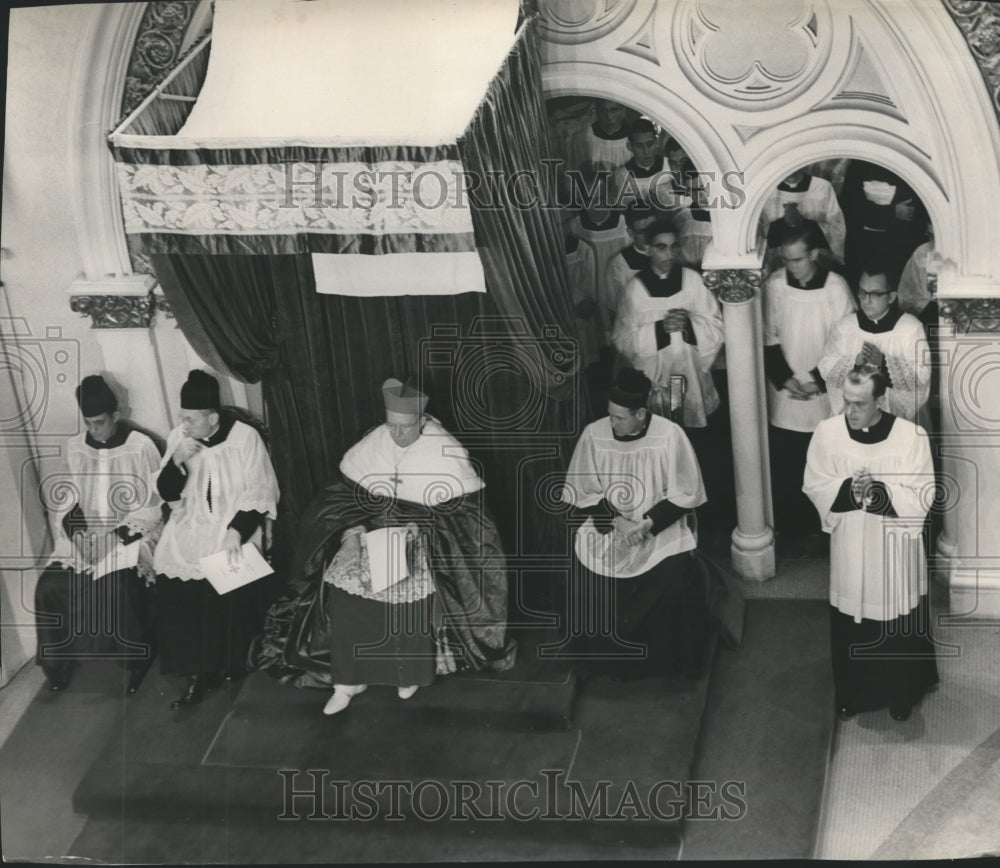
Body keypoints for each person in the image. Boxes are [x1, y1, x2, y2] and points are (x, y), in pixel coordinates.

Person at [250, 378, 517, 714]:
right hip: (367, 535)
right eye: (392, 426)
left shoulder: (444, 451)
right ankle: (347, 681)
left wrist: (418, 529)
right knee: (345, 592)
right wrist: (352, 531)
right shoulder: (376, 441)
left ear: (422, 421)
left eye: (405, 428)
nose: (397, 435)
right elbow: (343, 499)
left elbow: (464, 521)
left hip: (420, 541)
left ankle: (406, 675)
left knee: (404, 591)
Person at [804, 365, 938, 721]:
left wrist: (878, 492)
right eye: (846, 401)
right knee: (853, 618)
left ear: (880, 400)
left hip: (893, 547)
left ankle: (901, 694)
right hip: (852, 542)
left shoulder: (911, 436)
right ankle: (855, 692)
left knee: (895, 616)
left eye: (859, 404)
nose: (849, 412)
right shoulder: (827, 433)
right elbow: (814, 483)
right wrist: (849, 490)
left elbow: (924, 493)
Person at [560, 368, 709, 680]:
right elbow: (582, 489)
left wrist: (645, 525)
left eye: (619, 418)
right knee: (583, 579)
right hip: (610, 525)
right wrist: (618, 523)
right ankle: (602, 666)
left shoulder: (669, 435)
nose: (611, 423)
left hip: (657, 526)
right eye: (610, 415)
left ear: (641, 413)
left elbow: (686, 491)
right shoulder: (594, 434)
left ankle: (665, 666)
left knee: (673, 583)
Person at [153, 370, 279, 709]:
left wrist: (237, 529)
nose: (185, 424)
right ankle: (195, 670)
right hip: (191, 521)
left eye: (191, 419)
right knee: (173, 572)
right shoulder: (179, 438)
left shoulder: (245, 438)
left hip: (234, 522)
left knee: (223, 568)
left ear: (212, 418)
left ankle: (229, 660)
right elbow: (167, 493)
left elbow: (260, 489)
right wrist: (177, 459)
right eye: (183, 417)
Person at [36, 375, 162, 693]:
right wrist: (78, 536)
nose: (93, 430)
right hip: (87, 538)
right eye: (88, 423)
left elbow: (152, 506)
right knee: (49, 584)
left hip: (129, 536)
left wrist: (113, 537)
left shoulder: (140, 447)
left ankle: (134, 660)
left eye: (100, 422)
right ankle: (57, 662)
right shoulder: (76, 447)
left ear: (116, 416)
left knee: (116, 586)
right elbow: (68, 500)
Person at [763, 225, 855, 549]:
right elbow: (767, 334)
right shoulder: (774, 285)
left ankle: (823, 530)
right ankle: (792, 530)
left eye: (797, 259)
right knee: (788, 463)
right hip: (785, 391)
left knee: (822, 461)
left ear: (814, 254)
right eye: (786, 260)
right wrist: (784, 377)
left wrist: (818, 380)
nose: (791, 266)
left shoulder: (836, 288)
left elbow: (847, 341)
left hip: (823, 391)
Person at [613, 218, 724, 428]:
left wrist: (689, 325)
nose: (669, 255)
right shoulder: (634, 290)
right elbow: (623, 340)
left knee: (692, 431)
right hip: (656, 377)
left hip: (691, 371)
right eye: (661, 248)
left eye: (674, 247)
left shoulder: (693, 280)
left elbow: (716, 325)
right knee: (662, 427)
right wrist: (660, 330)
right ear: (648, 249)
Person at [818, 269, 930, 423]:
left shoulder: (910, 328)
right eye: (863, 292)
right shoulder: (845, 326)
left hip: (893, 417)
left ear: (891, 297)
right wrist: (854, 365)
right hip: (850, 416)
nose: (866, 300)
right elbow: (826, 364)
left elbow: (922, 374)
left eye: (875, 294)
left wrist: (883, 363)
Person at [760, 168, 845, 269]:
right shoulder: (765, 187)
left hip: (814, 260)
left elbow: (838, 230)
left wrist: (805, 224)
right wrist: (782, 224)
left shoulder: (822, 186)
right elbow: (758, 232)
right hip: (776, 260)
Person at [604, 202, 656, 346]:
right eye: (642, 231)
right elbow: (616, 308)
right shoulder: (619, 265)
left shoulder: (671, 253)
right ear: (630, 233)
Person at [612, 119, 678, 209]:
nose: (646, 151)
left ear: (656, 142)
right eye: (639, 146)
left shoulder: (670, 165)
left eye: (649, 144)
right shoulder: (622, 176)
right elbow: (620, 211)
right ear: (630, 146)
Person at [569, 98, 632, 175]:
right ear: (597, 112)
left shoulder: (635, 139)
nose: (609, 117)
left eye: (614, 110)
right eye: (603, 110)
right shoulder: (582, 138)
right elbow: (573, 174)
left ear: (623, 111)